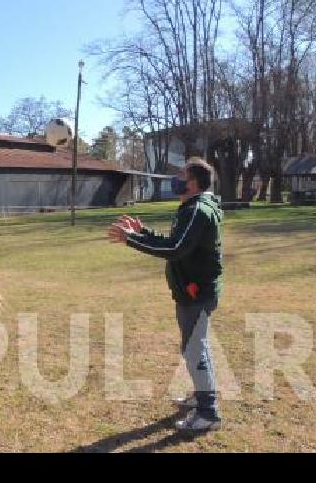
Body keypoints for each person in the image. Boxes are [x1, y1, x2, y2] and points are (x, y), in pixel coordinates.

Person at [107, 157, 224, 434]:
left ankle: (208, 412)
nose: (177, 179)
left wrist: (130, 240)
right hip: (191, 291)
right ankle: (201, 395)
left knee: (196, 349)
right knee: (194, 347)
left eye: (182, 174)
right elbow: (173, 242)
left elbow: (174, 251)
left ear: (193, 182)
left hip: (196, 293)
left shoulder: (197, 210)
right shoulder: (193, 208)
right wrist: (143, 232)